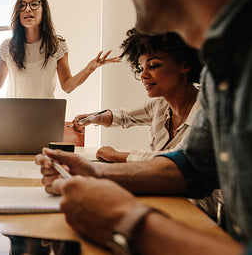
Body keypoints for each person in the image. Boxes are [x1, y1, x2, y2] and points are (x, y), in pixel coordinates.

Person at [35, 0, 252, 255]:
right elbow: (193, 165)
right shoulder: (218, 68)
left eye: (154, 65)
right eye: (142, 67)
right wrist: (95, 173)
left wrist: (125, 221)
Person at [72, 29, 202, 163]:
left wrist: (116, 156)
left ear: (185, 65)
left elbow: (178, 159)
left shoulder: (206, 109)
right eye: (141, 68)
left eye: (153, 66)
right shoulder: (160, 104)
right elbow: (125, 117)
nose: (143, 75)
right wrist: (93, 118)